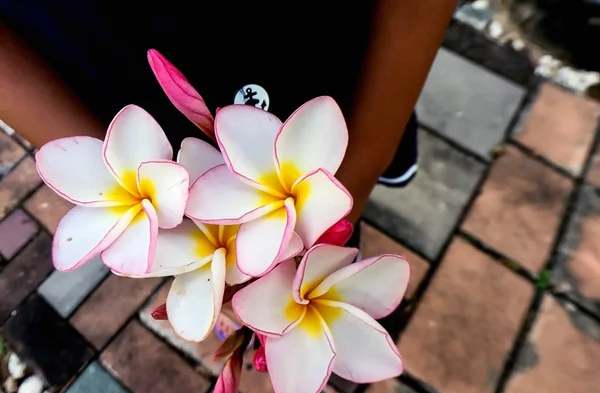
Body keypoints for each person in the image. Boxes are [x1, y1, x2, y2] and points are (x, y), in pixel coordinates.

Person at [0, 0, 458, 226]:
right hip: (107, 56)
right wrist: (167, 241)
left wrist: (365, 163)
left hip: (313, 38)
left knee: (335, 190)